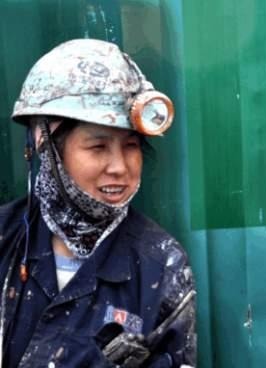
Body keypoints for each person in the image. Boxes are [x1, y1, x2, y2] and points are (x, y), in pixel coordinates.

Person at [0, 39, 196, 367]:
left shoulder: (162, 266)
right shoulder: (5, 239)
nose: (119, 166)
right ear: (45, 146)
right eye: (98, 147)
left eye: (131, 146)